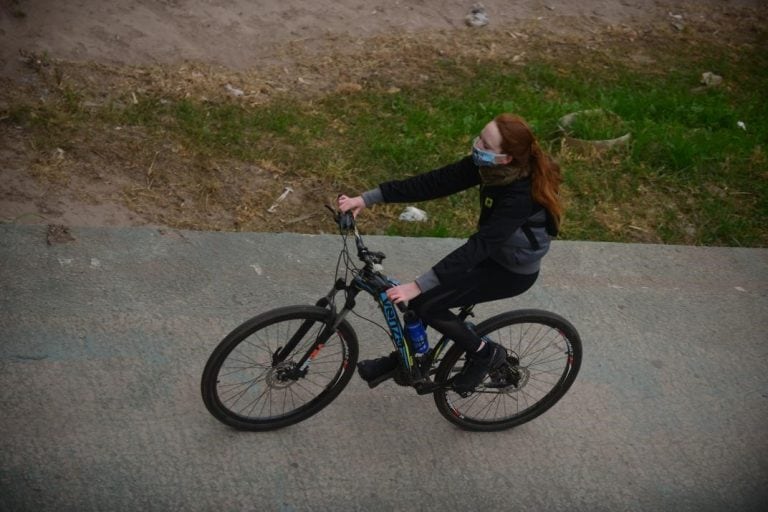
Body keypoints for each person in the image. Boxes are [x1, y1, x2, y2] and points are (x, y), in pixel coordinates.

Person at [338, 113, 563, 394]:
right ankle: (407, 361)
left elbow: (479, 246)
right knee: (420, 300)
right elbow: (434, 182)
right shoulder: (489, 168)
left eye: (486, 144)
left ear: (506, 158)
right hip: (490, 255)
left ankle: (485, 354)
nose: (477, 144)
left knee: (426, 303)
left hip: (510, 272)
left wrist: (417, 285)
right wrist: (368, 198)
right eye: (480, 136)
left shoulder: (519, 196)